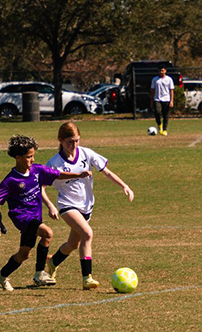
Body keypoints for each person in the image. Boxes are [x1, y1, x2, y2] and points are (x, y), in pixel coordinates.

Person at [0, 135, 92, 292]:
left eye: (33, 156)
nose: (32, 160)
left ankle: (2, 275)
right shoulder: (10, 180)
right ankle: (39, 274)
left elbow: (57, 174)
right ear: (17, 158)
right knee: (47, 233)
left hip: (34, 218)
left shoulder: (37, 170)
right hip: (22, 218)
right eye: (28, 157)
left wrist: (78, 175)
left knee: (23, 254)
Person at [44, 122, 134, 290]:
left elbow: (106, 172)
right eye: (70, 141)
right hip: (67, 205)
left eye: (77, 140)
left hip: (86, 206)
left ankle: (53, 261)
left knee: (73, 244)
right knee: (87, 233)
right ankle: (87, 278)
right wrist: (50, 205)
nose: (74, 145)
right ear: (60, 140)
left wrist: (124, 186)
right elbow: (40, 187)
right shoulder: (53, 163)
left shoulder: (86, 153)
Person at [150, 66, 175, 136]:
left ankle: (164, 130)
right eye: (160, 70)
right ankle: (159, 124)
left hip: (166, 99)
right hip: (157, 99)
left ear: (165, 71)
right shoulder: (155, 79)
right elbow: (152, 90)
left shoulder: (169, 79)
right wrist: (151, 101)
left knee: (166, 116)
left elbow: (171, 90)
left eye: (162, 70)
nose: (161, 72)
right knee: (157, 112)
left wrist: (171, 101)